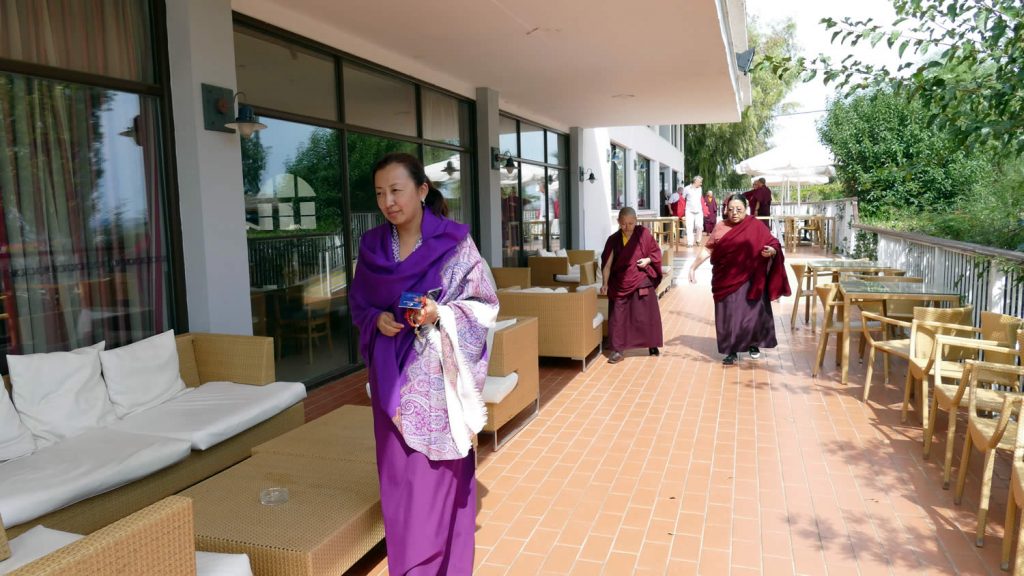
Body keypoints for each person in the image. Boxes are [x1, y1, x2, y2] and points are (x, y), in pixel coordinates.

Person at [349, 152, 498, 574]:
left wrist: (441, 314)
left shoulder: (454, 243)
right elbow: (359, 302)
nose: (388, 201)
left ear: (421, 190)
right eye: (380, 193)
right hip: (392, 381)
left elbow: (485, 304)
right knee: (400, 484)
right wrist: (374, 319)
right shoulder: (373, 245)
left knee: (438, 483)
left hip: (439, 385)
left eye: (396, 190)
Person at [687, 194, 790, 365]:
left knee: (751, 314)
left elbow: (773, 243)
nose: (734, 213)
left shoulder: (755, 225)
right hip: (725, 279)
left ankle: (753, 344)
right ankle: (731, 350)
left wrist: (771, 251)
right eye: (731, 209)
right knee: (728, 315)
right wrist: (693, 267)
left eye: (739, 209)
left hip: (751, 278)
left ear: (746, 209)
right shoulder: (720, 227)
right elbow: (708, 249)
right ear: (726, 209)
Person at [600, 207, 664, 364]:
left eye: (630, 223)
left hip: (640, 276)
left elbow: (656, 253)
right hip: (620, 282)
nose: (627, 227)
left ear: (636, 221)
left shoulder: (643, 234)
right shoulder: (613, 239)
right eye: (623, 224)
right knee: (618, 316)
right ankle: (618, 349)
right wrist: (604, 283)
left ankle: (651, 343)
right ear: (618, 222)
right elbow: (607, 265)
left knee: (646, 312)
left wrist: (648, 260)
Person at [682, 176, 704, 246]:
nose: (701, 184)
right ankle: (690, 243)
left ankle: (698, 240)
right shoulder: (686, 188)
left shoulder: (700, 188)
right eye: (700, 182)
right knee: (689, 227)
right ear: (695, 181)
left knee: (699, 226)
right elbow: (683, 198)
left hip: (699, 210)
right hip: (689, 211)